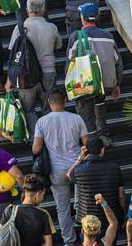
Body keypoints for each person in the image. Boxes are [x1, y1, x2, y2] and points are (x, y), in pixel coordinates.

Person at [33, 89, 87, 246]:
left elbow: (36, 149)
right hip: (77, 167)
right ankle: (85, 233)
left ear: (49, 103)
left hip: (56, 171)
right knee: (82, 202)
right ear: (65, 100)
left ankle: (69, 241)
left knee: (62, 209)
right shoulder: (76, 118)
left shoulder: (42, 122)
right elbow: (86, 143)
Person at [6, 0, 62, 133]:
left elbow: (14, 57)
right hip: (48, 73)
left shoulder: (19, 28)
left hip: (26, 75)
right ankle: (50, 136)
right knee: (48, 108)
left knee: (28, 109)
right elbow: (59, 45)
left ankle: (36, 137)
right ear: (44, 10)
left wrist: (9, 80)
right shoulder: (52, 27)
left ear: (27, 10)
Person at [68, 3, 122, 143]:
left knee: (86, 115)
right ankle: (104, 136)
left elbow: (70, 62)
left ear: (82, 18)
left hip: (85, 84)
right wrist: (117, 84)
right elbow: (117, 61)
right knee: (100, 105)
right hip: (105, 83)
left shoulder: (76, 36)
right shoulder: (108, 36)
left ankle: (93, 142)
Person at [69, 137, 125, 238]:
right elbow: (121, 195)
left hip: (87, 221)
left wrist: (80, 159)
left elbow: (68, 174)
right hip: (110, 218)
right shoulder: (114, 168)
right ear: (102, 150)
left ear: (87, 152)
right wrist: (122, 214)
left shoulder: (79, 171)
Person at [10, 174, 56, 246]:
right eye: (42, 195)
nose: (42, 199)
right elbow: (48, 244)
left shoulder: (10, 211)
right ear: (38, 194)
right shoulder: (43, 214)